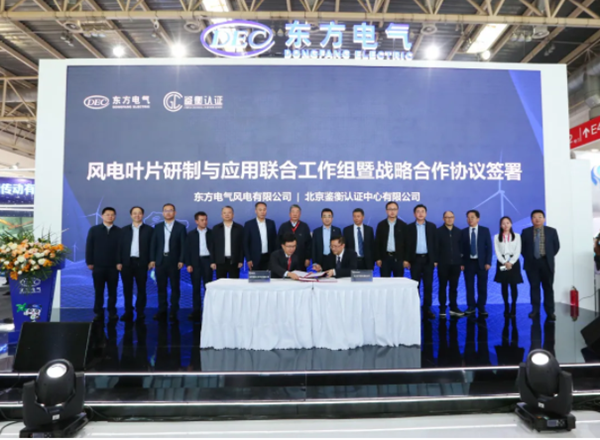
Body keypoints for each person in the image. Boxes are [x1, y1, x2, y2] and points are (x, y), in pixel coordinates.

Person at [149, 203, 186, 322]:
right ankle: (162, 310)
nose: (168, 213)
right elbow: (153, 244)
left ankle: (174, 311)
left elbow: (183, 246)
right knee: (161, 287)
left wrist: (181, 260)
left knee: (175, 287)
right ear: (163, 213)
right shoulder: (158, 227)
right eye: (166, 210)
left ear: (175, 213)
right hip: (160, 261)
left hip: (174, 261)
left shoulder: (181, 227)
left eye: (170, 210)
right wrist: (153, 259)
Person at [521, 209, 560, 321]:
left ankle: (550, 312)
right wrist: (530, 257)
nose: (537, 219)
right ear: (531, 219)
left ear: (544, 219)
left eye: (540, 217)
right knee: (534, 287)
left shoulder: (551, 231)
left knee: (548, 288)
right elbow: (522, 248)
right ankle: (535, 310)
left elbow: (556, 246)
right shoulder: (526, 232)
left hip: (546, 263)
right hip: (532, 263)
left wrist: (547, 256)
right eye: (534, 217)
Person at [116, 206, 153, 322]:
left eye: (139, 213)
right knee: (127, 289)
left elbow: (153, 247)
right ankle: (128, 311)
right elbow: (119, 247)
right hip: (127, 263)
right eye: (134, 213)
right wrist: (118, 261)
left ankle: (140, 311)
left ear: (143, 215)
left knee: (141, 288)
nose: (137, 215)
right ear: (131, 215)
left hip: (142, 263)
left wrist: (152, 260)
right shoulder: (123, 230)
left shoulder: (149, 230)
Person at [85, 207, 121, 322]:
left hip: (113, 267)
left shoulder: (119, 231)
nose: (110, 216)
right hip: (98, 266)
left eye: (112, 215)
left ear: (115, 217)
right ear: (102, 216)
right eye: (107, 214)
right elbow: (89, 246)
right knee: (99, 290)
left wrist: (119, 262)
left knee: (112, 291)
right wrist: (89, 262)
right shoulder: (94, 230)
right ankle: (98, 312)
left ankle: (112, 312)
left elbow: (121, 249)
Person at [404, 204, 438, 320]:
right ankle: (415, 308)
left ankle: (427, 308)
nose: (420, 214)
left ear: (426, 213)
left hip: (428, 260)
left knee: (428, 286)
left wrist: (435, 259)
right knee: (415, 286)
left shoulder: (432, 227)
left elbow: (435, 244)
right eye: (418, 211)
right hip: (415, 260)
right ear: (414, 214)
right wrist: (406, 260)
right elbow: (406, 245)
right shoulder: (409, 228)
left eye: (422, 211)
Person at [460, 209, 493, 317]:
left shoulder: (485, 230)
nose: (470, 219)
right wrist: (461, 263)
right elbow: (461, 249)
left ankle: (481, 306)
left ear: (478, 219)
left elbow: (489, 248)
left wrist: (488, 262)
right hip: (468, 263)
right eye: (468, 217)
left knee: (482, 286)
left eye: (472, 217)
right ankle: (471, 306)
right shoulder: (463, 232)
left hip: (482, 263)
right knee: (469, 286)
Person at [185, 211, 216, 323]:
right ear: (196, 221)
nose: (204, 222)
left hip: (208, 261)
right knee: (196, 288)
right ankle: (196, 311)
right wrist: (188, 264)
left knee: (208, 287)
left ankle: (209, 309)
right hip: (195, 263)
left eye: (206, 219)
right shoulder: (191, 234)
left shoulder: (212, 233)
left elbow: (215, 249)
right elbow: (187, 251)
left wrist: (213, 262)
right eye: (202, 220)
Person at [493, 216, 523, 318]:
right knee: (504, 285)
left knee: (513, 285)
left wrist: (511, 262)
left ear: (511, 224)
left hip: (514, 263)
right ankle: (506, 305)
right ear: (500, 225)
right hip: (502, 263)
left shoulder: (517, 236)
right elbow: (497, 252)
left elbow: (518, 251)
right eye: (503, 223)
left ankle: (513, 306)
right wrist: (504, 262)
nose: (505, 225)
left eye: (507, 223)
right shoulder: (496, 237)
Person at [436, 211, 464, 318]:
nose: (449, 219)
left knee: (454, 287)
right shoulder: (438, 232)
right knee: (442, 287)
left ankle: (453, 307)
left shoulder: (459, 232)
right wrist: (436, 260)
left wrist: (462, 262)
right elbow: (435, 248)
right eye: (447, 217)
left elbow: (462, 248)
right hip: (443, 264)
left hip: (456, 264)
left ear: (454, 218)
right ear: (443, 219)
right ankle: (442, 308)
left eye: (451, 217)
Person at [375, 201, 406, 278]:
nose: (392, 211)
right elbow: (377, 243)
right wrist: (378, 258)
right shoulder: (381, 225)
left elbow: (407, 244)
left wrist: (406, 259)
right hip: (385, 258)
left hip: (398, 259)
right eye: (390, 209)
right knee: (385, 282)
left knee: (399, 282)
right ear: (386, 211)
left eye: (394, 209)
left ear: (397, 210)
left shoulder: (403, 225)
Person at [244, 202, 277, 271]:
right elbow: (245, 243)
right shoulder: (249, 224)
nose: (262, 212)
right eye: (260, 210)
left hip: (268, 257)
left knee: (269, 277)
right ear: (256, 211)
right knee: (255, 277)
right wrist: (248, 259)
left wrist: (274, 257)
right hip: (254, 259)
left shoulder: (271, 223)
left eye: (264, 209)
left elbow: (275, 241)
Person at [213, 206, 244, 279]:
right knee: (220, 283)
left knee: (234, 283)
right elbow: (212, 246)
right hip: (220, 262)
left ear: (233, 215)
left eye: (229, 213)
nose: (227, 215)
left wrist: (241, 260)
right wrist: (212, 261)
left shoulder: (239, 228)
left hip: (234, 261)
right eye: (224, 213)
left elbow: (242, 246)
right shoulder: (216, 228)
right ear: (221, 215)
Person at [278, 204, 312, 269]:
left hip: (301, 259)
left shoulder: (304, 226)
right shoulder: (283, 226)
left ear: (300, 214)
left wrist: (307, 258)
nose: (295, 214)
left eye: (297, 212)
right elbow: (279, 243)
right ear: (289, 214)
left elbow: (309, 244)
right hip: (285, 260)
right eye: (293, 212)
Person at [312, 208, 342, 272]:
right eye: (324, 216)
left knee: (333, 275)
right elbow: (313, 248)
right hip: (320, 259)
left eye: (329, 216)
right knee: (321, 277)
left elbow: (340, 246)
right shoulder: (316, 231)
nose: (327, 219)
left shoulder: (337, 230)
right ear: (321, 218)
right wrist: (314, 262)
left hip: (334, 258)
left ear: (332, 218)